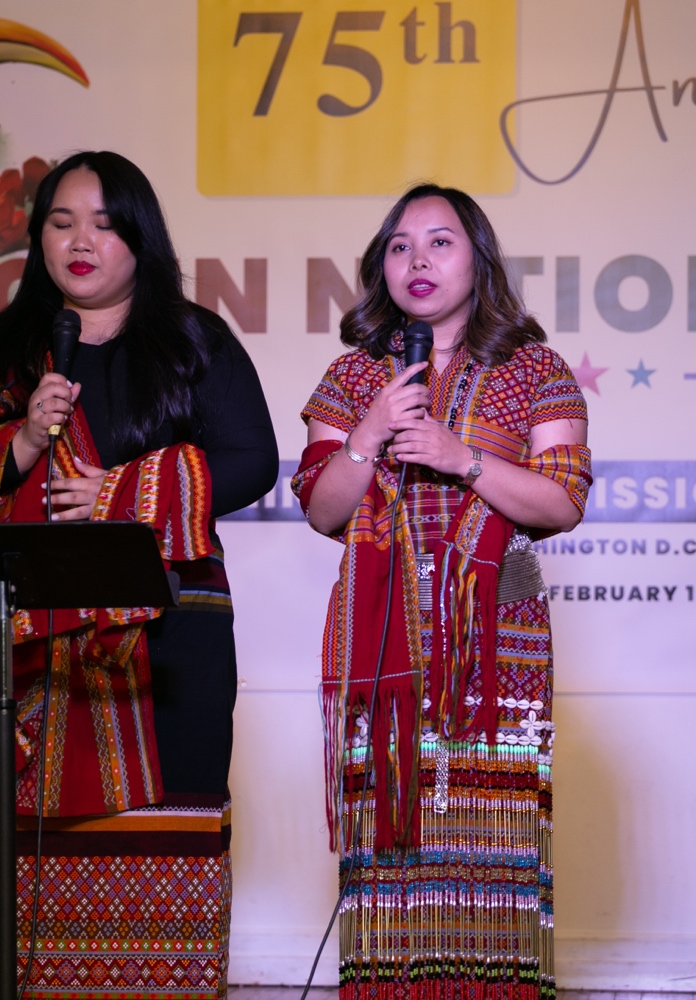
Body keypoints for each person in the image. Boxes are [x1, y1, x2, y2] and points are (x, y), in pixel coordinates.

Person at [0, 151, 278, 998]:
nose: (81, 241)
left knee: (173, 837)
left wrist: (121, 494)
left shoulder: (193, 342)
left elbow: (254, 461)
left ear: (139, 238)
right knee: (38, 858)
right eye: (61, 222)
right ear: (39, 236)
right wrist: (19, 441)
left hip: (173, 637)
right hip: (40, 646)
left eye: (105, 224)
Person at [292, 183, 591, 1000]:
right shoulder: (354, 374)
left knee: (492, 848)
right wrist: (369, 431)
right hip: (380, 639)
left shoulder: (534, 368)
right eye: (400, 245)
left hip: (497, 644)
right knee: (390, 856)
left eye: (440, 241)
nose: (416, 259)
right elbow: (322, 510)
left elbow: (563, 501)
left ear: (478, 258)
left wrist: (463, 459)